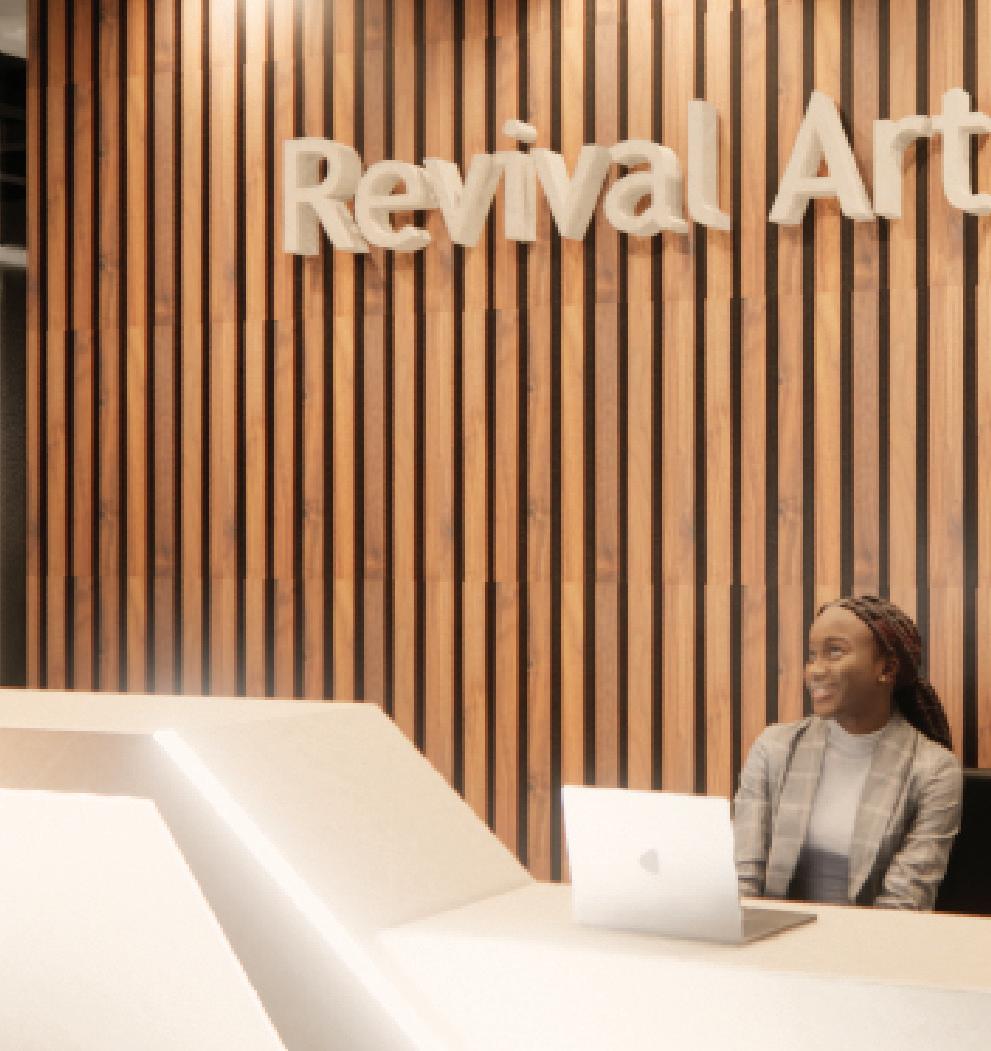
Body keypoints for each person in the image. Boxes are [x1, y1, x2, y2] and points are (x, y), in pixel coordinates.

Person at [733, 594, 962, 910]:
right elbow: (741, 880)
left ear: (887, 668)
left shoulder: (934, 770)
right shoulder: (773, 749)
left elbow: (905, 903)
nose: (815, 670)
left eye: (834, 651)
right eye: (812, 655)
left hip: (873, 939)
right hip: (774, 934)